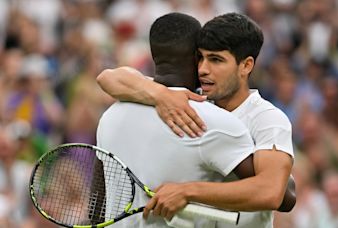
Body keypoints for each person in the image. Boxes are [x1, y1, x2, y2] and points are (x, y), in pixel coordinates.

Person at [97, 12, 295, 228]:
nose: (203, 69)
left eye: (216, 60)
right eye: (200, 57)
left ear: (246, 66)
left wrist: (187, 191)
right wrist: (161, 95)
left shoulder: (268, 119)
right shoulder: (188, 101)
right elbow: (108, 77)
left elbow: (274, 193)